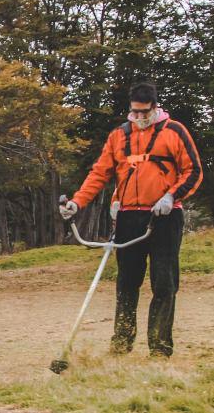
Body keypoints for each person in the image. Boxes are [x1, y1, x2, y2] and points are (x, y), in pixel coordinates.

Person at [59, 82, 202, 357]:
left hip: (164, 217)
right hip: (127, 217)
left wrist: (172, 196)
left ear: (155, 108)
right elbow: (99, 174)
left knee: (164, 283)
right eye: (134, 113)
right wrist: (78, 202)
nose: (139, 119)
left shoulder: (175, 132)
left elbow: (193, 171)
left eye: (144, 113)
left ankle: (159, 348)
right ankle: (121, 345)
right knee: (126, 283)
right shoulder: (118, 136)